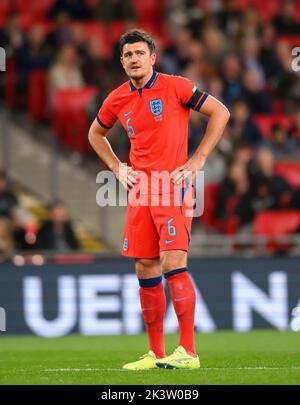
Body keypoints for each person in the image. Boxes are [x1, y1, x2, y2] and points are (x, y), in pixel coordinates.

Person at [88, 29, 229, 370]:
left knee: (172, 263)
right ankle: (157, 354)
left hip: (173, 186)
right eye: (127, 55)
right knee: (145, 267)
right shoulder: (117, 98)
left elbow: (220, 112)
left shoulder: (175, 86)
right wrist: (117, 167)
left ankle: (189, 352)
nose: (133, 59)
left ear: (153, 57)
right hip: (140, 191)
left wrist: (199, 159)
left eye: (139, 53)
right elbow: (95, 133)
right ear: (121, 62)